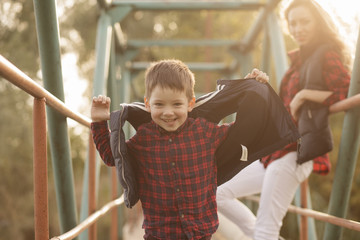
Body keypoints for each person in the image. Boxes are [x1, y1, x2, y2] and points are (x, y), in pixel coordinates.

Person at [90, 59, 300, 240]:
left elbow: (243, 130)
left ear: (190, 104)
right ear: (147, 104)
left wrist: (247, 88)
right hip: (159, 234)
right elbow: (112, 156)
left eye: (177, 105)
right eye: (159, 104)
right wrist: (99, 122)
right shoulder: (143, 140)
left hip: (201, 233)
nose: (168, 113)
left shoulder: (205, 132)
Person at [216, 0, 352, 239]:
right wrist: (261, 87)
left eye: (305, 22)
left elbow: (348, 90)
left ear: (318, 22)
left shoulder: (326, 53)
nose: (298, 28)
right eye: (293, 23)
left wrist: (305, 95)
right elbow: (285, 109)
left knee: (265, 228)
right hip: (275, 150)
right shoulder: (299, 60)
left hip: (295, 154)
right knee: (215, 192)